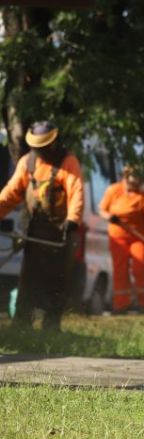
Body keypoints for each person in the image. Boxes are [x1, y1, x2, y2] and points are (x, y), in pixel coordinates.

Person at [0, 121, 83, 331]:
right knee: (28, 280)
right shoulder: (28, 163)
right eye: (36, 147)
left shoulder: (68, 162)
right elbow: (11, 194)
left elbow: (76, 192)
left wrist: (73, 219)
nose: (39, 151)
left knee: (56, 281)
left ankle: (51, 325)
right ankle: (21, 323)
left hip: (61, 232)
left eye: (43, 147)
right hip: (34, 231)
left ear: (53, 143)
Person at [99, 165, 144, 313]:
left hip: (139, 238)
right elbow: (102, 210)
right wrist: (111, 217)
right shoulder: (113, 191)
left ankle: (143, 304)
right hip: (118, 236)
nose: (135, 182)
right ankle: (120, 305)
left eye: (138, 179)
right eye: (133, 177)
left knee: (140, 267)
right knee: (120, 269)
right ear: (126, 176)